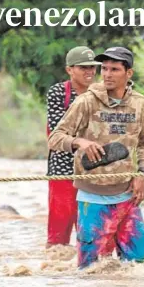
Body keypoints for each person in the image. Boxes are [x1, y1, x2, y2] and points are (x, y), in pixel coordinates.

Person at [48, 47, 144, 269]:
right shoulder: (87, 102)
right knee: (90, 271)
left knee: (141, 267)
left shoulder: (140, 104)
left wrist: (142, 173)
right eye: (104, 69)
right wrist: (79, 142)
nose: (106, 74)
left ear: (129, 74)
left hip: (127, 197)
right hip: (92, 199)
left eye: (114, 69)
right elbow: (55, 138)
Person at [46, 46, 101, 249]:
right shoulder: (58, 93)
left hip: (93, 167)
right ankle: (55, 267)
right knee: (59, 227)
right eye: (83, 67)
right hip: (63, 167)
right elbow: (56, 130)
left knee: (91, 228)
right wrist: (82, 141)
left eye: (92, 68)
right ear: (70, 70)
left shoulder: (101, 93)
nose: (89, 72)